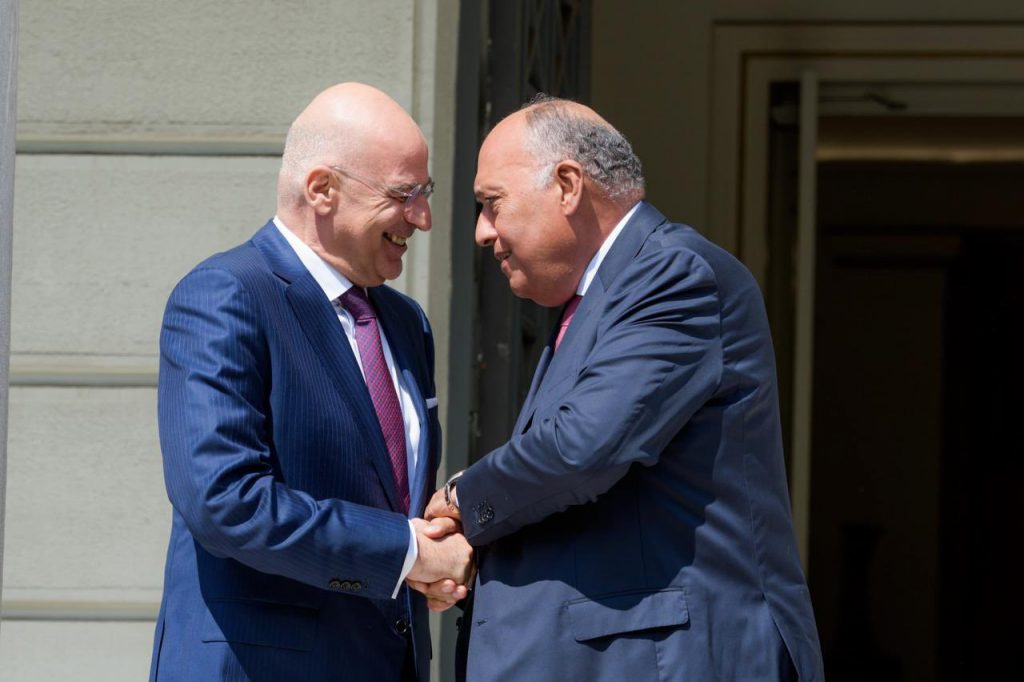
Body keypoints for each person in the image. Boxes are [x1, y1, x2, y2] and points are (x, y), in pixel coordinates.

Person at [424, 96, 825, 681]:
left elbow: (581, 448)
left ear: (567, 185)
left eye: (492, 203)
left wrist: (463, 499)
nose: (483, 232)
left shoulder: (673, 274)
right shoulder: (603, 296)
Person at [151, 82, 472, 682]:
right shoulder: (226, 296)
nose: (422, 218)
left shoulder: (406, 323)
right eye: (403, 194)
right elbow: (224, 501)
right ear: (322, 189)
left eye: (424, 194)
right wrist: (408, 553)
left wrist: (437, 539)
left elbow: (389, 497)